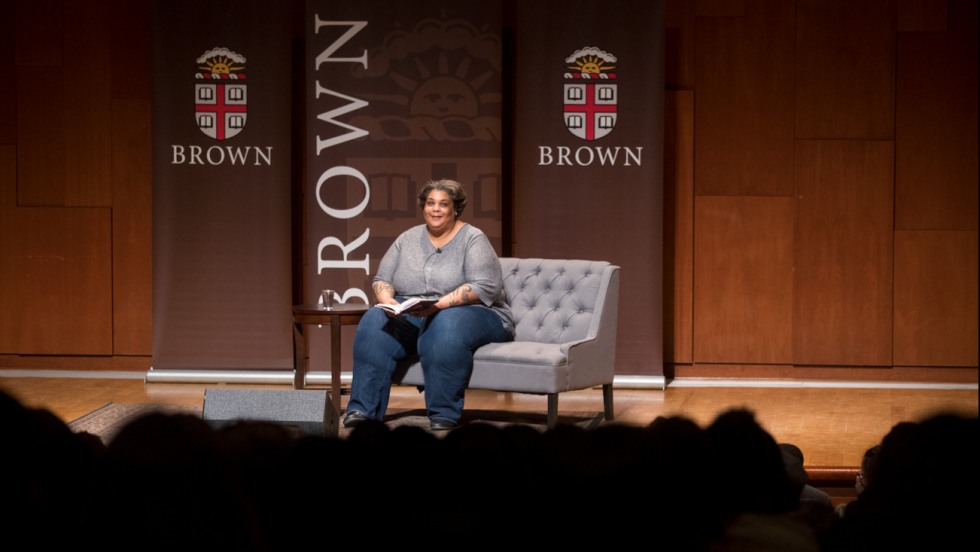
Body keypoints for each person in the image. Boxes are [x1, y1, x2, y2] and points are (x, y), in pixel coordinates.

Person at [342, 179, 514, 431]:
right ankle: (362, 410)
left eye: (443, 204)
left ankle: (443, 413)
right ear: (423, 207)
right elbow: (382, 280)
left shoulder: (472, 238)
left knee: (445, 323)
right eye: (430, 203)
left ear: (455, 208)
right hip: (416, 310)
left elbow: (485, 287)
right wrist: (387, 300)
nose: (436, 209)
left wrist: (439, 305)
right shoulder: (407, 238)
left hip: (477, 313)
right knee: (374, 319)